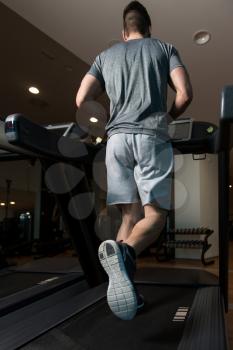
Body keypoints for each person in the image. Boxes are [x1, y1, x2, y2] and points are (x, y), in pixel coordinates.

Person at [76, 1, 193, 321]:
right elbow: (184, 93)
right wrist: (166, 118)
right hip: (150, 137)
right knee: (155, 218)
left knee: (130, 216)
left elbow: (81, 99)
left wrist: (103, 126)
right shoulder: (164, 48)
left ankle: (126, 281)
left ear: (123, 32)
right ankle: (125, 254)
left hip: (115, 143)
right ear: (148, 28)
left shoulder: (104, 56)